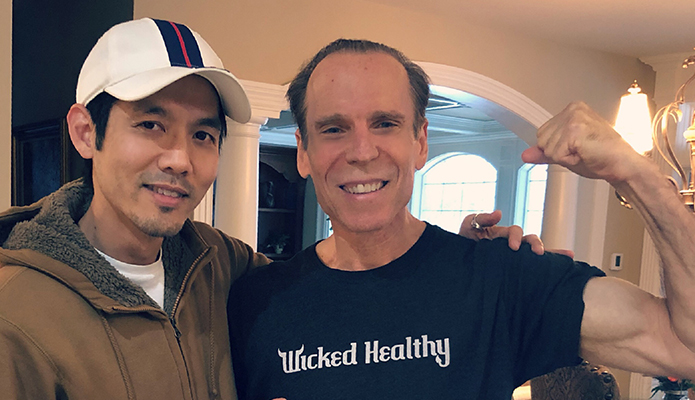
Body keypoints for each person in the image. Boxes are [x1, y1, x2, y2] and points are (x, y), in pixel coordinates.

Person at [0, 19, 532, 400]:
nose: (180, 159)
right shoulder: (15, 313)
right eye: (150, 124)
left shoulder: (218, 265)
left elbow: (333, 286)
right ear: (85, 132)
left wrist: (448, 259)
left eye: (203, 134)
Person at [228, 39, 695, 399]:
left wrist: (637, 175)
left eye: (386, 124)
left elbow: (683, 346)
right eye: (334, 129)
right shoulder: (254, 302)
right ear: (303, 152)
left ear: (420, 142)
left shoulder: (503, 279)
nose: (362, 151)